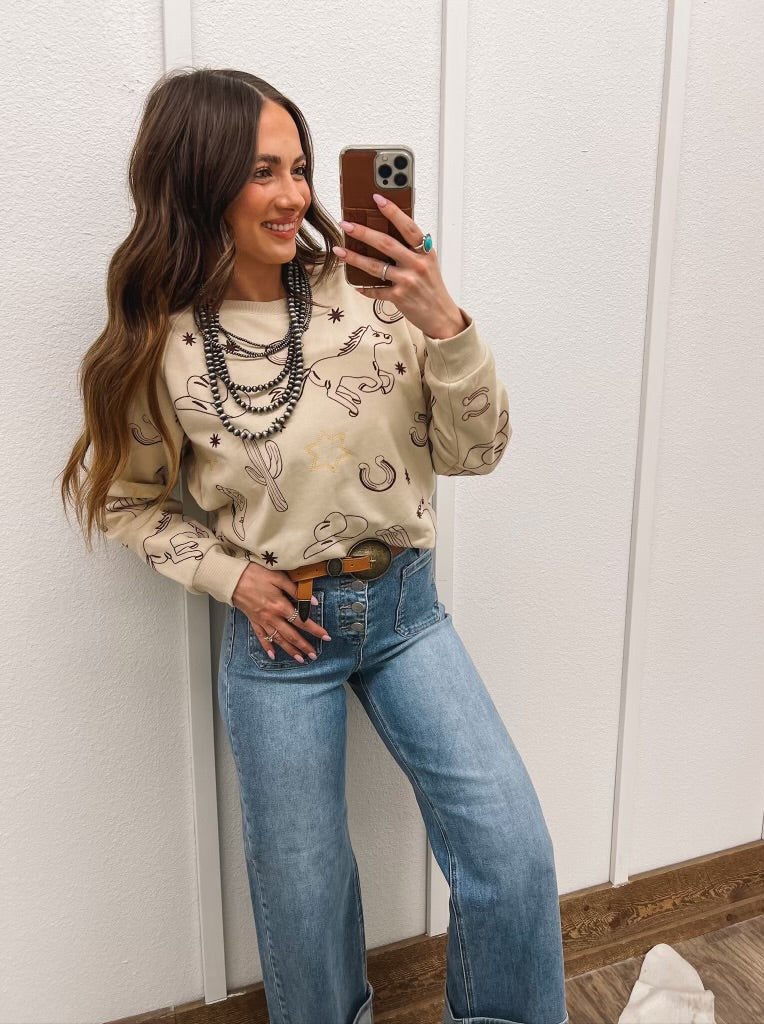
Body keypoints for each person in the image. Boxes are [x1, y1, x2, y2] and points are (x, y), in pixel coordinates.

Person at [60, 68, 569, 1024]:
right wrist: (232, 578)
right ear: (197, 180)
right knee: (303, 894)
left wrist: (444, 321)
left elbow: (477, 452)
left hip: (406, 612)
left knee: (511, 851)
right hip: (280, 639)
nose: (294, 194)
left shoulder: (373, 291)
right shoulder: (162, 340)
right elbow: (128, 502)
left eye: (299, 167)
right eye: (263, 171)